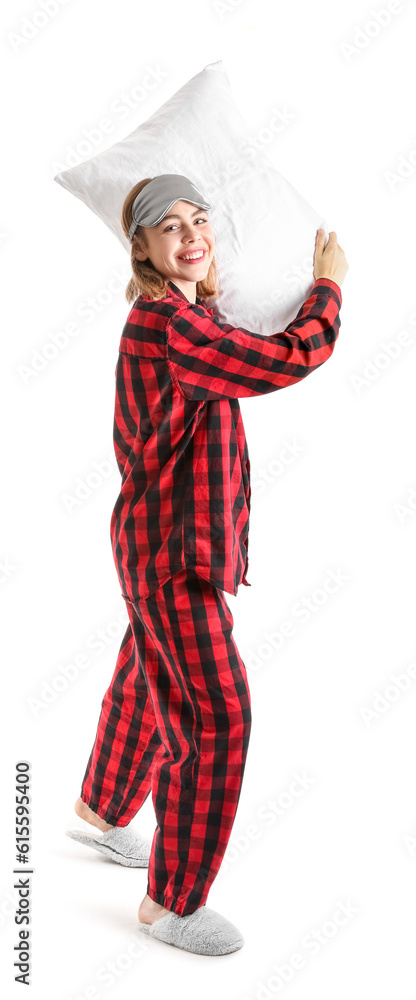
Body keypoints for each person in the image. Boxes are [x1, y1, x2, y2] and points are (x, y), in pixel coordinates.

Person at [66, 174, 348, 956]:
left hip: (157, 544)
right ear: (145, 250)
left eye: (200, 219)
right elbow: (289, 358)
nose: (190, 234)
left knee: (147, 670)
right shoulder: (173, 329)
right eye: (169, 227)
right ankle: (172, 902)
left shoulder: (183, 317)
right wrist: (328, 288)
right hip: (171, 554)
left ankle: (102, 809)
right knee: (217, 712)